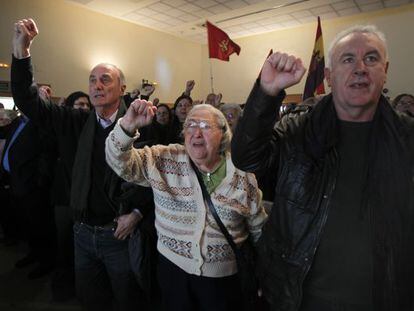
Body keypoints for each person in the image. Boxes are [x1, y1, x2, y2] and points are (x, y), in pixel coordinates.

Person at [231, 25, 414, 311]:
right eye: (348, 59)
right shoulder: (298, 131)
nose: (360, 68)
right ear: (329, 77)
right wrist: (266, 92)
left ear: (385, 70)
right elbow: (247, 158)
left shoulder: (408, 138)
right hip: (297, 298)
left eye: (371, 58)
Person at [11, 18, 152, 311]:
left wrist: (137, 213)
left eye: (105, 79)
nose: (97, 85)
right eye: (92, 79)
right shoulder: (74, 122)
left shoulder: (141, 127)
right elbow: (28, 101)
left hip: (120, 234)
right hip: (82, 232)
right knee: (90, 299)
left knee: (128, 299)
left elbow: (153, 180)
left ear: (122, 87)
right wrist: (22, 51)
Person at [105, 102, 267, 311]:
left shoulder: (243, 176)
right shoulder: (164, 158)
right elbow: (118, 161)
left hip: (223, 280)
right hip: (173, 272)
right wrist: (127, 125)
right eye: (190, 125)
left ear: (223, 133)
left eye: (205, 126)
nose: (196, 133)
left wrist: (265, 276)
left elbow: (259, 232)